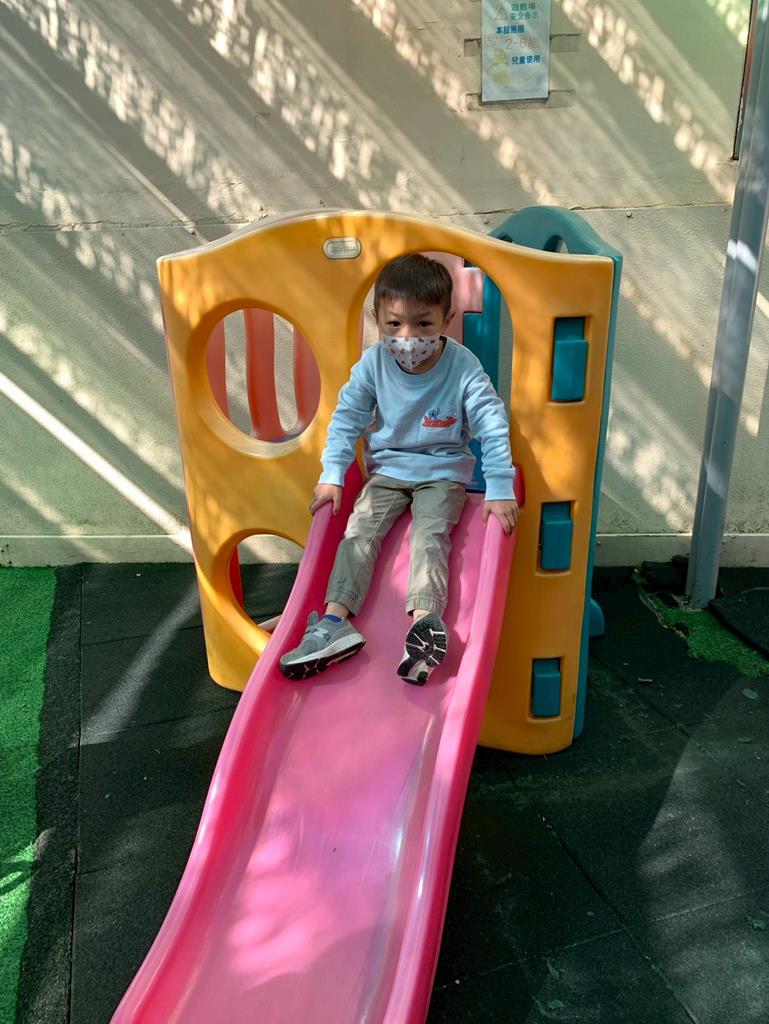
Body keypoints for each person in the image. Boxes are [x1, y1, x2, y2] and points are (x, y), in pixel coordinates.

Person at [279, 253, 518, 685]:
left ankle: (424, 625)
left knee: (430, 536)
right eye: (394, 324)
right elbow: (347, 418)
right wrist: (332, 474)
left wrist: (500, 486)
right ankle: (334, 624)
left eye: (423, 324)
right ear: (378, 320)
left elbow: (491, 421)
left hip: (442, 471)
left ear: (446, 320)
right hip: (388, 471)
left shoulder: (462, 366)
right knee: (360, 531)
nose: (408, 337)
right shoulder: (373, 364)